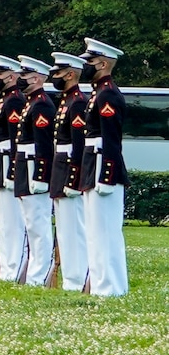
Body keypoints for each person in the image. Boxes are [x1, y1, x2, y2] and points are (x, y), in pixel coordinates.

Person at [78, 37, 128, 297]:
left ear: (103, 63)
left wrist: (107, 175)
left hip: (101, 165)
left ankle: (112, 287)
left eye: (90, 61)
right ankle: (101, 285)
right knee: (95, 231)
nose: (86, 66)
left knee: (106, 231)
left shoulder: (107, 93)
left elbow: (111, 138)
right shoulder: (98, 92)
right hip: (92, 162)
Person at [13, 55, 56, 286]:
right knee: (31, 223)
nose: (20, 79)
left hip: (32, 167)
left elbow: (44, 143)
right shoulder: (31, 102)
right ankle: (34, 270)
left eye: (25, 75)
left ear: (38, 78)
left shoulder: (41, 104)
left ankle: (40, 272)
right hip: (24, 164)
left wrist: (41, 175)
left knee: (38, 224)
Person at [49, 51, 89, 291]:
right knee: (64, 228)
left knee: (74, 228)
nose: (55, 77)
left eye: (59, 73)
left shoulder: (78, 102)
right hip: (59, 165)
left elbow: (79, 145)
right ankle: (70, 278)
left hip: (68, 167)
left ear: (71, 74)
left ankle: (77, 278)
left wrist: (74, 179)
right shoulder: (66, 101)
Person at [0, 54, 27, 281]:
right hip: (0, 162)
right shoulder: (5, 99)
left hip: (8, 162)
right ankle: (7, 266)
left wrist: (13, 169)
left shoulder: (14, 100)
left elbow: (16, 139)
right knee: (5, 221)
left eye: (1, 74)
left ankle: (14, 266)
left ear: (11, 76)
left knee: (13, 221)